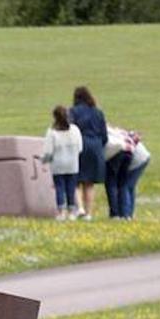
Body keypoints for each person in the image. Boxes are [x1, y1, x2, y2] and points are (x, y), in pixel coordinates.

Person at [68, 87, 107, 220]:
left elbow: (69, 130)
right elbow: (104, 135)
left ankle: (79, 208)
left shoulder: (73, 112)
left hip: (79, 146)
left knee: (75, 180)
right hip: (96, 147)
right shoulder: (98, 113)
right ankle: (89, 214)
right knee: (89, 183)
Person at [41, 105, 82, 220]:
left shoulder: (52, 132)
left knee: (59, 187)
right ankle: (72, 212)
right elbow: (80, 147)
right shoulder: (75, 129)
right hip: (72, 164)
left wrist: (43, 160)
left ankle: (61, 212)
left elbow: (48, 151)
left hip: (58, 164)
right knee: (71, 187)